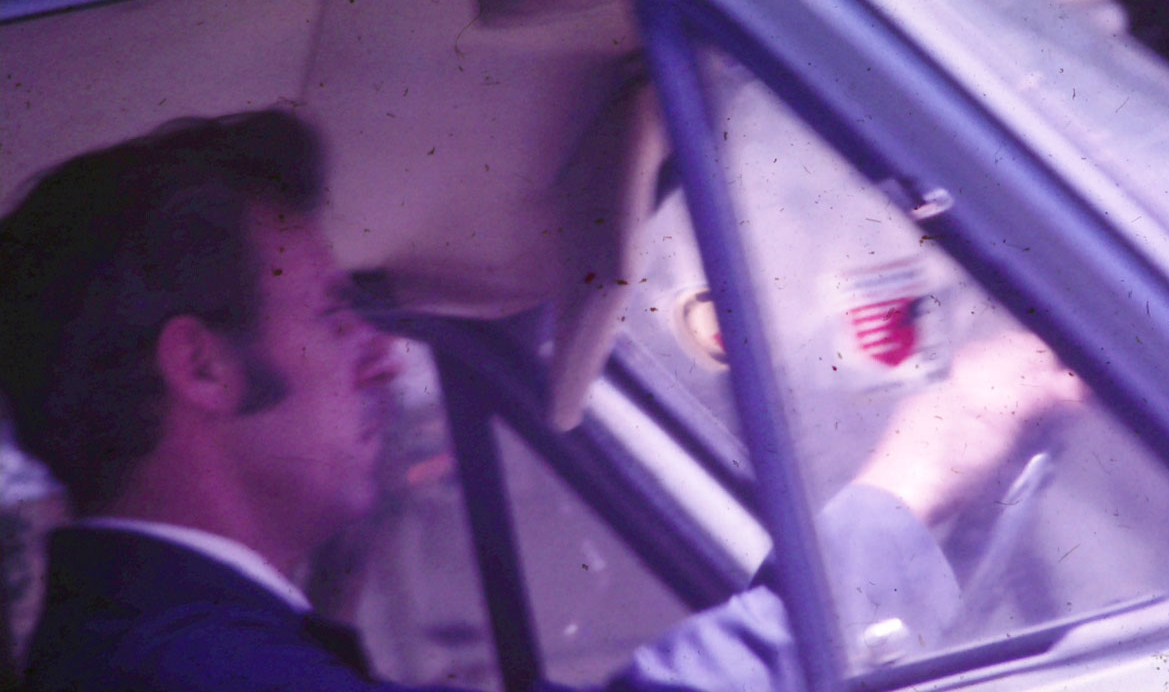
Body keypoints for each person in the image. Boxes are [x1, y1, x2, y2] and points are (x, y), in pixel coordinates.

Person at [0, 111, 1079, 691]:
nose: (379, 355)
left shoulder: (155, 638)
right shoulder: (184, 666)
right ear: (201, 367)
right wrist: (917, 476)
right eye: (333, 314)